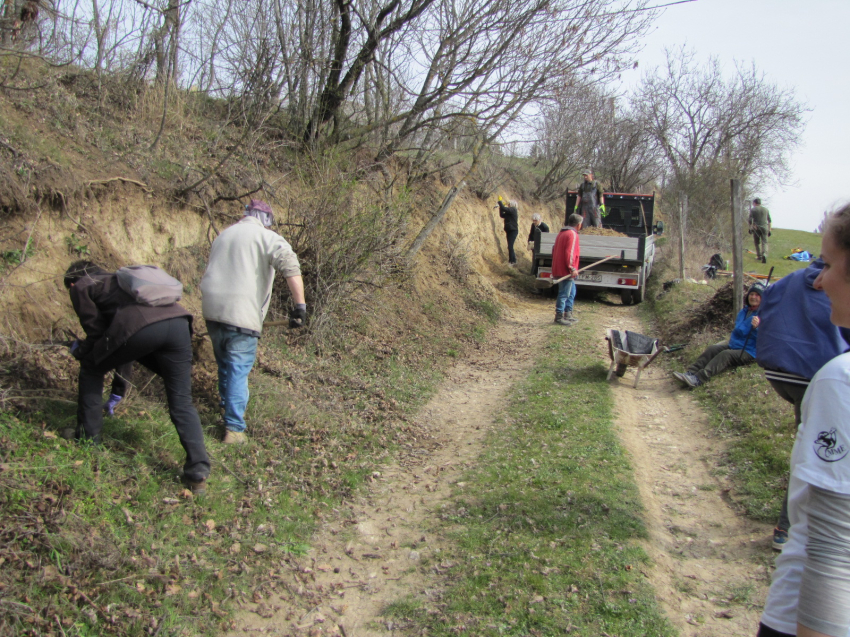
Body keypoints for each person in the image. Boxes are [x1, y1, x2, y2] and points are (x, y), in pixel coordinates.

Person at [757, 204, 850, 637]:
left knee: (813, 465)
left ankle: (783, 524)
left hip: (802, 617)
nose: (819, 278)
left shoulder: (840, 383)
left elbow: (832, 546)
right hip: (804, 371)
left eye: (828, 264)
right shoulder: (837, 382)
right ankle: (781, 524)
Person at [64, 261, 210, 494]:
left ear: (72, 282)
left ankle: (87, 439)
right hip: (179, 324)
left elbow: (97, 334)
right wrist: (118, 390)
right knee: (181, 400)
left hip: (140, 328)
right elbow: (118, 345)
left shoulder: (81, 286)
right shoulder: (122, 282)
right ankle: (198, 473)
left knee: (91, 368)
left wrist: (79, 352)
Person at [756, 258, 850, 552]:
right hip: (815, 375)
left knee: (808, 442)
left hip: (778, 369)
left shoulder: (795, 277)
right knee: (817, 451)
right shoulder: (838, 285)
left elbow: (765, 298)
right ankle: (786, 528)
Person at [200, 199, 306, 444]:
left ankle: (226, 407)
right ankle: (234, 429)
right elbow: (291, 267)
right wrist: (299, 306)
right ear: (266, 219)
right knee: (237, 367)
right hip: (241, 313)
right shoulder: (268, 238)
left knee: (225, 364)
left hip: (212, 309)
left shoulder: (224, 235)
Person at [673, 283, 763, 388]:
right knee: (712, 349)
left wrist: (757, 328)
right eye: (751, 294)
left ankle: (699, 379)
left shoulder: (764, 315)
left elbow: (766, 338)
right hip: (736, 345)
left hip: (750, 351)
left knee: (726, 354)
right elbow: (738, 330)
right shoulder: (744, 311)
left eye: (757, 295)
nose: (753, 297)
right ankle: (690, 373)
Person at [551, 213, 583, 325]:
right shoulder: (572, 234)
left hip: (559, 267)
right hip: (565, 270)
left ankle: (568, 314)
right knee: (564, 294)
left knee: (572, 292)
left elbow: (553, 250)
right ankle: (559, 317)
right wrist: (572, 268)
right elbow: (570, 253)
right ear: (578, 225)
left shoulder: (561, 233)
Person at [496, 197, 519, 266]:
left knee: (510, 246)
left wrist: (500, 201)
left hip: (513, 231)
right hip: (509, 230)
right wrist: (500, 207)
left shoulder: (513, 210)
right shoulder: (510, 212)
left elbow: (504, 209)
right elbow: (502, 215)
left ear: (511, 205)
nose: (508, 205)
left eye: (509, 204)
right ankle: (512, 261)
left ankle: (512, 261)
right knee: (509, 246)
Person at [749, 197, 772, 264]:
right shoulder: (766, 210)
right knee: (764, 242)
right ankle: (764, 254)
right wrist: (769, 230)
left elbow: (750, 220)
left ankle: (759, 256)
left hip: (756, 228)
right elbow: (769, 221)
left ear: (755, 203)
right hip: (765, 228)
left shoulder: (753, 210)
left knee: (757, 242)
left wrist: (751, 228)